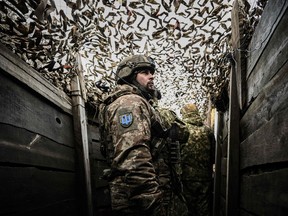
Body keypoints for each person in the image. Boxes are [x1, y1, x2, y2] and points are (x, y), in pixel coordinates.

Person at [98, 54, 167, 216]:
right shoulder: (130, 103)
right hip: (139, 203)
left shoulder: (133, 101)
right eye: (145, 72)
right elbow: (135, 162)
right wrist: (153, 203)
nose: (152, 76)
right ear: (129, 76)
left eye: (152, 72)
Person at [180, 104, 216, 216]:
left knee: (187, 208)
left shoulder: (182, 130)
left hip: (185, 178)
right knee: (204, 208)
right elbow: (214, 155)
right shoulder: (207, 131)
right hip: (205, 177)